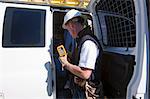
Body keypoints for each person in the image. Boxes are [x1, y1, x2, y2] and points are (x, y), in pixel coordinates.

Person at [59, 9, 103, 98]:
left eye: (68, 30)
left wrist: (66, 64)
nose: (70, 34)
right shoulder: (81, 40)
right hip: (80, 89)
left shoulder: (88, 43)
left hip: (86, 92)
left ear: (72, 26)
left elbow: (85, 73)